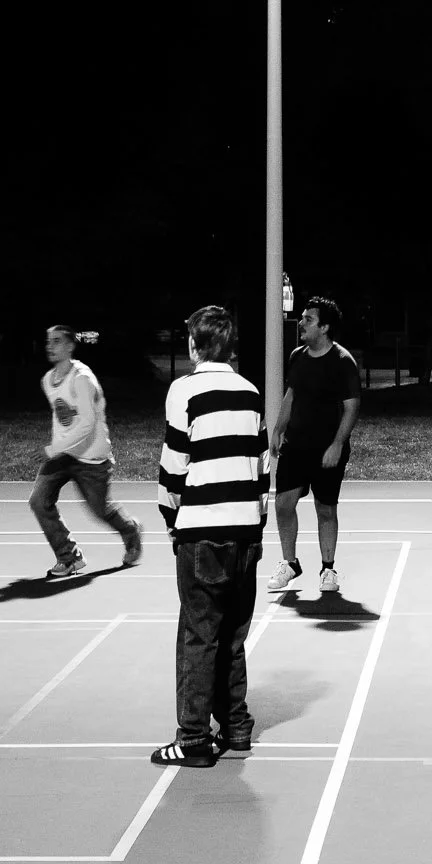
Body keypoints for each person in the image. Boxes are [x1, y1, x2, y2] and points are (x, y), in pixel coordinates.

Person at [151, 304, 270, 767]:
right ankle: (236, 726)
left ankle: (194, 738)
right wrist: (256, 525)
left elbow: (174, 465)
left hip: (202, 532)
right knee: (233, 636)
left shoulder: (185, 390)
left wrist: (171, 518)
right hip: (245, 531)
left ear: (194, 345)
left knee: (199, 636)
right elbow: (261, 468)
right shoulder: (250, 391)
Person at [29, 324, 143, 580]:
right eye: (49, 341)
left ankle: (131, 531)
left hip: (91, 456)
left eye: (57, 341)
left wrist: (53, 448)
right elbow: (63, 418)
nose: (50, 345)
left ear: (70, 345)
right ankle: (69, 557)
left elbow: (87, 424)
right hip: (63, 455)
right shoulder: (48, 380)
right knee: (38, 501)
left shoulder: (82, 378)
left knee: (100, 510)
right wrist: (58, 449)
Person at [268, 296, 360, 595]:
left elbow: (351, 407)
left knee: (325, 509)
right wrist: (279, 428)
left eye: (308, 319)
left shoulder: (342, 361)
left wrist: (337, 444)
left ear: (325, 327)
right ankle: (290, 563)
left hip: (326, 449)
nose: (302, 324)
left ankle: (328, 568)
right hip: (296, 446)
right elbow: (291, 395)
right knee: (283, 504)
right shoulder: (297, 356)